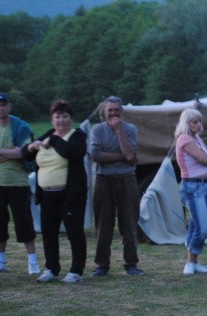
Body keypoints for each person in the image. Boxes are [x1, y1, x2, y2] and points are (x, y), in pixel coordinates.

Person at [22, 100, 87, 283]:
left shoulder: (78, 136)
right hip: (47, 195)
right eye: (57, 116)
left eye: (65, 116)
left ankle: (76, 271)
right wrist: (31, 146)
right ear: (52, 119)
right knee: (49, 233)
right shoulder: (48, 135)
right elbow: (25, 155)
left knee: (74, 232)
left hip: (70, 195)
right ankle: (51, 268)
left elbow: (72, 152)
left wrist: (55, 140)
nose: (61, 120)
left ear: (71, 118)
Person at [0, 93, 40, 275]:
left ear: (9, 106)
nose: (1, 108)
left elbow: (24, 153)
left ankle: (33, 262)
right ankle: (0, 261)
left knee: (24, 222)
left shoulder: (21, 127)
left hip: (19, 183)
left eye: (4, 104)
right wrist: (11, 153)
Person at [88, 95, 143, 277]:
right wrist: (123, 156)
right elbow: (96, 155)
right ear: (104, 112)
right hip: (104, 180)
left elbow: (130, 156)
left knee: (129, 223)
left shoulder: (130, 129)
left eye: (116, 110)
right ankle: (102, 265)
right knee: (103, 224)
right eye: (110, 110)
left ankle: (131, 264)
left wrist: (119, 131)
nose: (113, 113)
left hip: (127, 179)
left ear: (122, 111)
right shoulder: (97, 129)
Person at [175, 108, 207, 275]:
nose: (198, 125)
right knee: (203, 227)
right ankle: (190, 263)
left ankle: (193, 261)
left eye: (199, 121)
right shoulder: (184, 138)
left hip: (206, 185)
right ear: (186, 123)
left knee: (196, 223)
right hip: (194, 186)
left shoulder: (196, 138)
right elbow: (206, 158)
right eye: (194, 122)